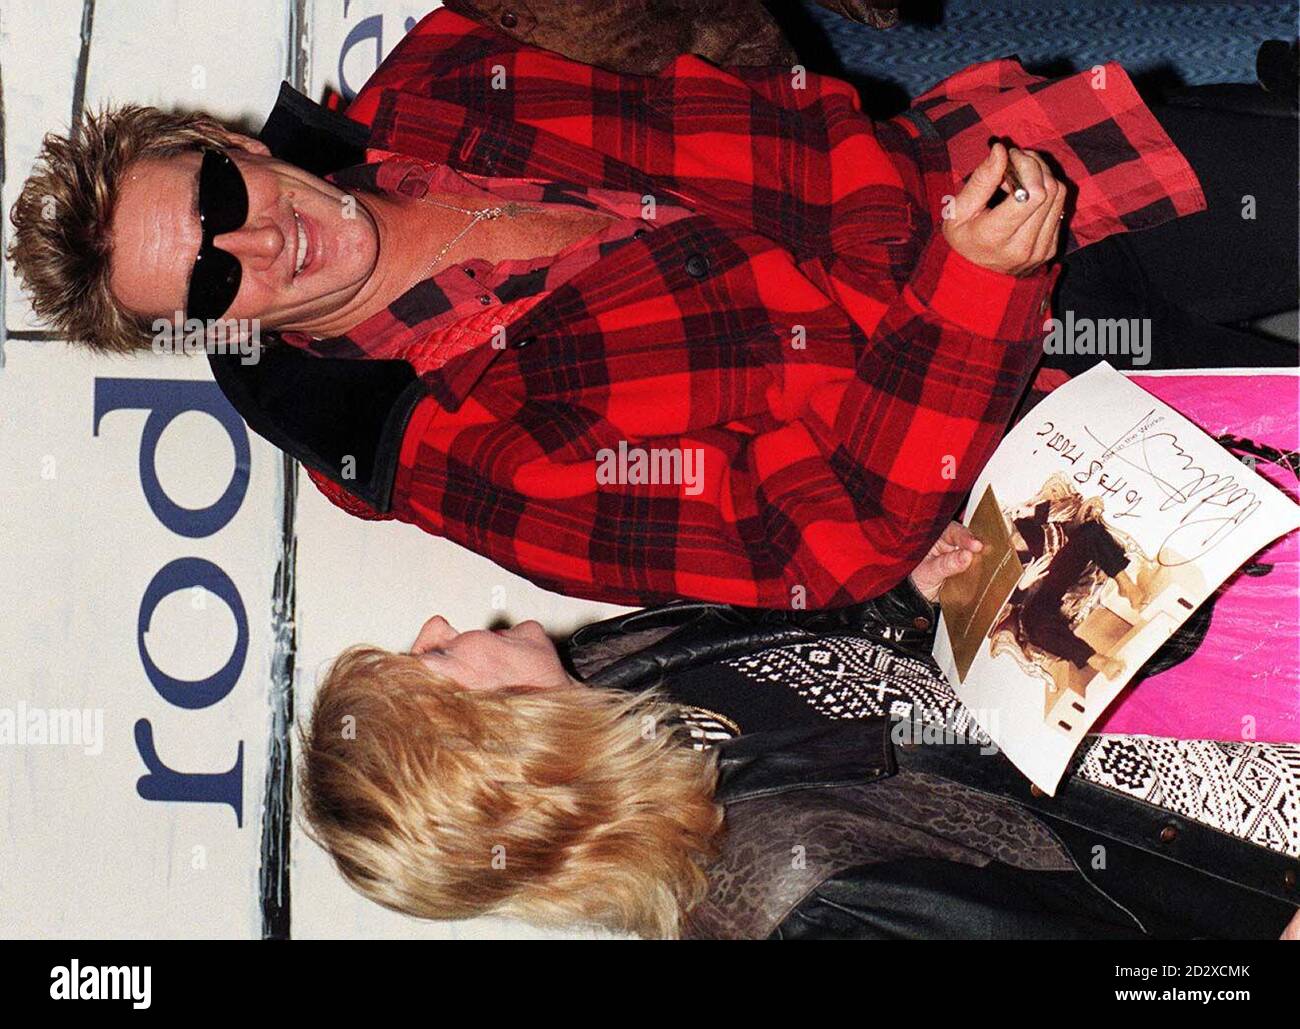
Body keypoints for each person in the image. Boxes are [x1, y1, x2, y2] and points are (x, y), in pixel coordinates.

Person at [7, 7, 1291, 609]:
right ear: (218, 327)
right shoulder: (453, 450)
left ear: (219, 136)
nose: (265, 237)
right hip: (1003, 423)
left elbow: (710, 40)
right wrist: (973, 290)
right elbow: (816, 552)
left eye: (222, 191)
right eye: (216, 273)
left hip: (987, 170)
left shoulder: (450, 70)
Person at [299, 521, 1300, 940]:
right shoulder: (787, 903)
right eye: (431, 661)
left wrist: (904, 599)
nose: (435, 627)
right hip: (1227, 823)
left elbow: (842, 660)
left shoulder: (606, 668)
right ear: (502, 753)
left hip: (1160, 681)